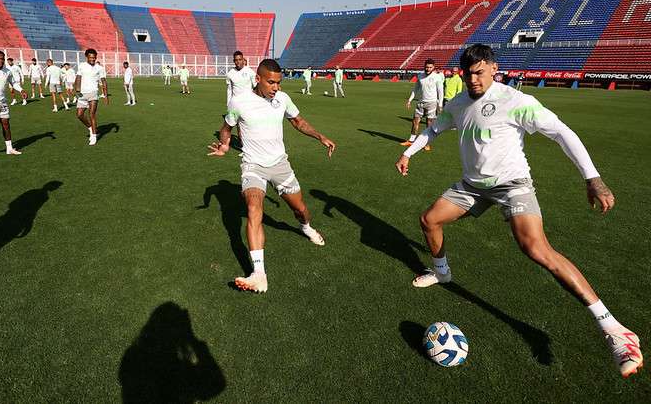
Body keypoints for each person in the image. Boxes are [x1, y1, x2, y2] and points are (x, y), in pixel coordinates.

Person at [394, 44, 642, 378]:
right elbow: (433, 129)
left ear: (494, 69)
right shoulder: (458, 103)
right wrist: (410, 152)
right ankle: (441, 272)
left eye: (479, 72)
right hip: (473, 186)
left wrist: (593, 179)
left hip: (512, 184)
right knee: (430, 220)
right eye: (467, 73)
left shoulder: (516, 101)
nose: (473, 79)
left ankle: (614, 329)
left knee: (536, 249)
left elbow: (562, 133)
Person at [207, 59, 336, 293]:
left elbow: (297, 121)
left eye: (279, 82)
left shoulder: (282, 99)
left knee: (300, 210)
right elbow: (227, 127)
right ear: (258, 79)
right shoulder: (239, 102)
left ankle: (305, 227)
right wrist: (225, 146)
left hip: (280, 165)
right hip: (252, 165)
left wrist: (319, 136)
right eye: (271, 82)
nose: (276, 87)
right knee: (254, 209)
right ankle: (259, 274)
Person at [401, 58, 444, 151]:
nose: (428, 69)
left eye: (430, 67)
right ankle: (411, 140)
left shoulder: (437, 77)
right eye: (427, 67)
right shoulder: (420, 76)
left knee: (429, 124)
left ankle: (427, 143)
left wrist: (440, 105)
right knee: (415, 121)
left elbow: (440, 91)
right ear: (424, 67)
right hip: (420, 102)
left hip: (432, 103)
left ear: (433, 67)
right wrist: (410, 100)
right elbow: (415, 89)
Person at [74, 48, 108, 146]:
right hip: (82, 94)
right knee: (79, 115)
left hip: (93, 93)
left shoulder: (99, 68)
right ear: (87, 57)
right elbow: (78, 78)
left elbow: (104, 81)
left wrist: (106, 95)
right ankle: (90, 127)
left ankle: (93, 136)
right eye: (90, 57)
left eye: (94, 57)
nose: (92, 59)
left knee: (92, 114)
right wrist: (76, 89)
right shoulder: (82, 66)